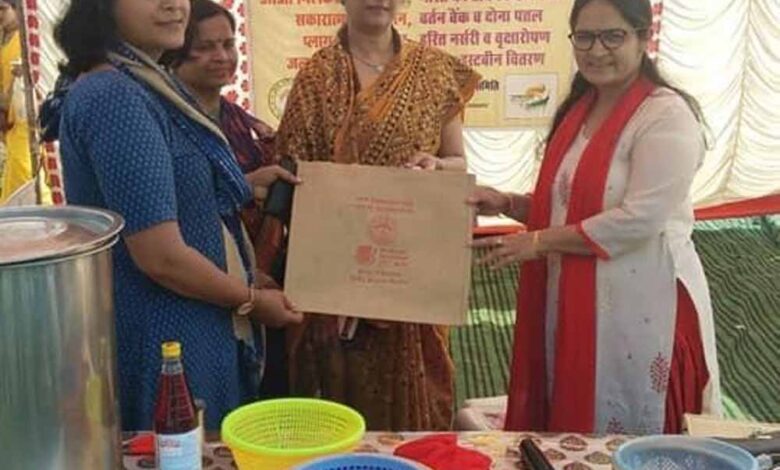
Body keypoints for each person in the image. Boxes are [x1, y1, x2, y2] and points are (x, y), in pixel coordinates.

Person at [48, 0, 302, 431]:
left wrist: (244, 184)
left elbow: (165, 196)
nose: (173, 5)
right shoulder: (116, 97)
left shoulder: (143, 80)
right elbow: (160, 257)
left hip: (190, 326)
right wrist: (252, 301)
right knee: (183, 452)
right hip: (168, 336)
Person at [470, 0, 721, 434]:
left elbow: (640, 218)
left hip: (645, 306)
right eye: (585, 37)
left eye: (613, 36)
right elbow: (567, 203)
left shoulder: (666, 115)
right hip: (573, 297)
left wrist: (537, 242)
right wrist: (508, 202)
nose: (597, 50)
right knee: (571, 409)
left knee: (632, 429)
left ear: (643, 38)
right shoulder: (580, 107)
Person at [276, 0, 481, 430]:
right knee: (340, 402)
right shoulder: (315, 77)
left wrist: (436, 166)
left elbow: (457, 163)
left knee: (419, 408)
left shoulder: (435, 70)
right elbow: (293, 174)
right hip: (338, 275)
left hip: (412, 271)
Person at [162, 0, 292, 398]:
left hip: (263, 281)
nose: (222, 56)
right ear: (175, 53)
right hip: (202, 283)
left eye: (228, 44)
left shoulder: (242, 123)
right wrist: (246, 184)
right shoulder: (165, 121)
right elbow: (178, 204)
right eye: (204, 47)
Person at [0, 0, 30, 202]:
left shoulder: (25, 40)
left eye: (2, 9)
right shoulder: (5, 40)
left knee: (23, 173)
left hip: (23, 120)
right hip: (9, 124)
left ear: (17, 8)